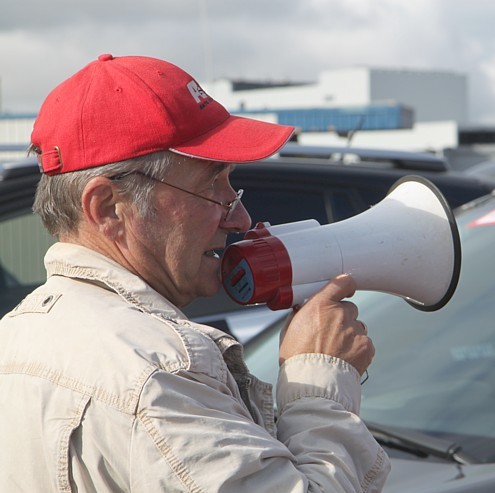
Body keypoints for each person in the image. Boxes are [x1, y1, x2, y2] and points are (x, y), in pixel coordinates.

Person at [0, 54, 389, 492]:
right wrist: (319, 379)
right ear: (108, 207)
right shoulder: (159, 374)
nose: (239, 217)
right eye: (211, 187)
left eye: (230, 183)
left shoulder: (16, 335)